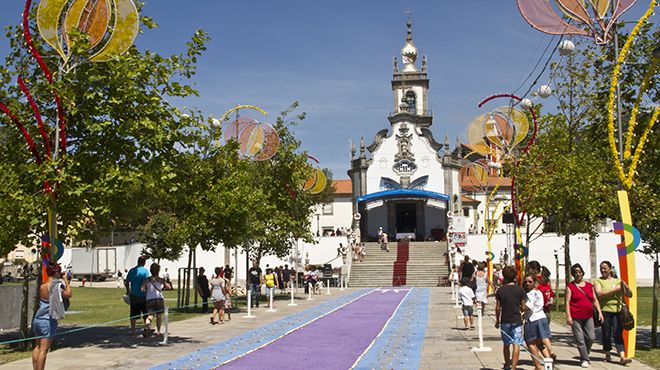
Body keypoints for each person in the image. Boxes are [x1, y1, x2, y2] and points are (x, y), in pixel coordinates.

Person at [32, 261, 72, 370]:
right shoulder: (55, 286)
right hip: (47, 321)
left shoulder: (42, 286)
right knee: (43, 350)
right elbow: (69, 294)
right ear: (56, 273)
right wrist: (66, 282)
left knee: (37, 347)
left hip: (37, 319)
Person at [594, 261, 632, 365]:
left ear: (610, 269)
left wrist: (625, 287)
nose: (603, 270)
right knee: (606, 334)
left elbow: (629, 294)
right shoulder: (598, 281)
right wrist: (615, 289)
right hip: (605, 311)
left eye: (605, 268)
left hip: (618, 311)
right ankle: (607, 354)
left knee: (617, 333)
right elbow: (599, 294)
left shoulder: (618, 281)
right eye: (601, 268)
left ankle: (622, 356)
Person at [566, 263, 603, 368]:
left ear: (582, 273)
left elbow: (595, 300)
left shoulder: (589, 286)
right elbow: (567, 302)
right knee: (580, 339)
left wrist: (600, 312)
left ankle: (585, 353)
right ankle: (584, 359)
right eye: (575, 273)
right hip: (575, 316)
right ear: (573, 274)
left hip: (588, 315)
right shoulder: (570, 286)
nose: (578, 274)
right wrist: (568, 316)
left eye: (579, 272)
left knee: (591, 337)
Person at [495, 266, 526, 370]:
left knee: (506, 344)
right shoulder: (520, 290)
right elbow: (523, 306)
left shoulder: (500, 290)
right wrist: (522, 312)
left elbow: (498, 307)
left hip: (505, 320)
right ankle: (514, 367)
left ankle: (507, 364)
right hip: (517, 320)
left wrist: (497, 320)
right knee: (516, 344)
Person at [522, 273, 555, 370]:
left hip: (534, 319)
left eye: (530, 282)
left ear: (534, 282)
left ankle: (538, 366)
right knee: (540, 344)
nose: (527, 284)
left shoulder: (532, 293)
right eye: (525, 282)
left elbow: (528, 307)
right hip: (541, 317)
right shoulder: (537, 292)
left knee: (530, 343)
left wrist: (519, 303)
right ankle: (548, 363)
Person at [141, 263, 171, 336]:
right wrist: (163, 284)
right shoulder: (160, 279)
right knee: (159, 315)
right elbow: (169, 287)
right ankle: (158, 331)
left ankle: (146, 327)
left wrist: (148, 291)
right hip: (159, 298)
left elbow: (142, 289)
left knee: (150, 315)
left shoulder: (147, 280)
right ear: (158, 270)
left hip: (149, 298)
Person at [125, 256, 150, 337]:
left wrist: (128, 290)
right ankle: (145, 330)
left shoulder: (132, 271)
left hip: (134, 295)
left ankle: (133, 332)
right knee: (146, 314)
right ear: (144, 262)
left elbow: (127, 281)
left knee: (133, 314)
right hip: (144, 295)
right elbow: (147, 283)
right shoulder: (145, 271)